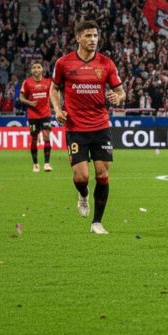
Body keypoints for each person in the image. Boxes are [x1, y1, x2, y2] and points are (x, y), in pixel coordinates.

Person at [50, 20, 126, 234]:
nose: (93, 40)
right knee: (81, 177)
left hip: (100, 126)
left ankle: (97, 223)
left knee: (102, 174)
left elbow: (121, 92)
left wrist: (117, 98)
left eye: (95, 36)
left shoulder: (106, 63)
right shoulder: (64, 63)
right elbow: (54, 89)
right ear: (78, 38)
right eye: (88, 36)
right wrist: (57, 109)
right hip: (76, 128)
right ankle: (83, 195)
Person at [19, 60, 53, 172]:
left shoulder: (48, 82)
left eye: (38, 67)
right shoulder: (27, 82)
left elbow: (54, 95)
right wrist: (30, 103)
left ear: (42, 69)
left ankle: (47, 164)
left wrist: (56, 108)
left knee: (46, 137)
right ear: (31, 70)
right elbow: (21, 98)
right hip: (33, 116)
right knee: (34, 139)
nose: (36, 69)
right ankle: (35, 164)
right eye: (34, 67)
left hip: (45, 114)